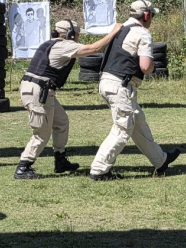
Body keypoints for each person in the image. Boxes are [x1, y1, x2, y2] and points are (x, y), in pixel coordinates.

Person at [14, 19, 124, 180]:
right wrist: (114, 32)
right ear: (70, 34)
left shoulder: (49, 43)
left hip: (35, 88)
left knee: (61, 122)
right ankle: (23, 166)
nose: (78, 38)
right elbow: (95, 48)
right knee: (42, 132)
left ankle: (60, 159)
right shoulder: (64, 45)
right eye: (77, 34)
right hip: (40, 90)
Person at [88, 0, 180, 180]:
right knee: (122, 129)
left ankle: (160, 160)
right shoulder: (142, 33)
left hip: (107, 82)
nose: (152, 18)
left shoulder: (120, 29)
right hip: (121, 85)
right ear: (146, 16)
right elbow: (145, 67)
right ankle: (99, 170)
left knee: (137, 121)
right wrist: (153, 67)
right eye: (151, 15)